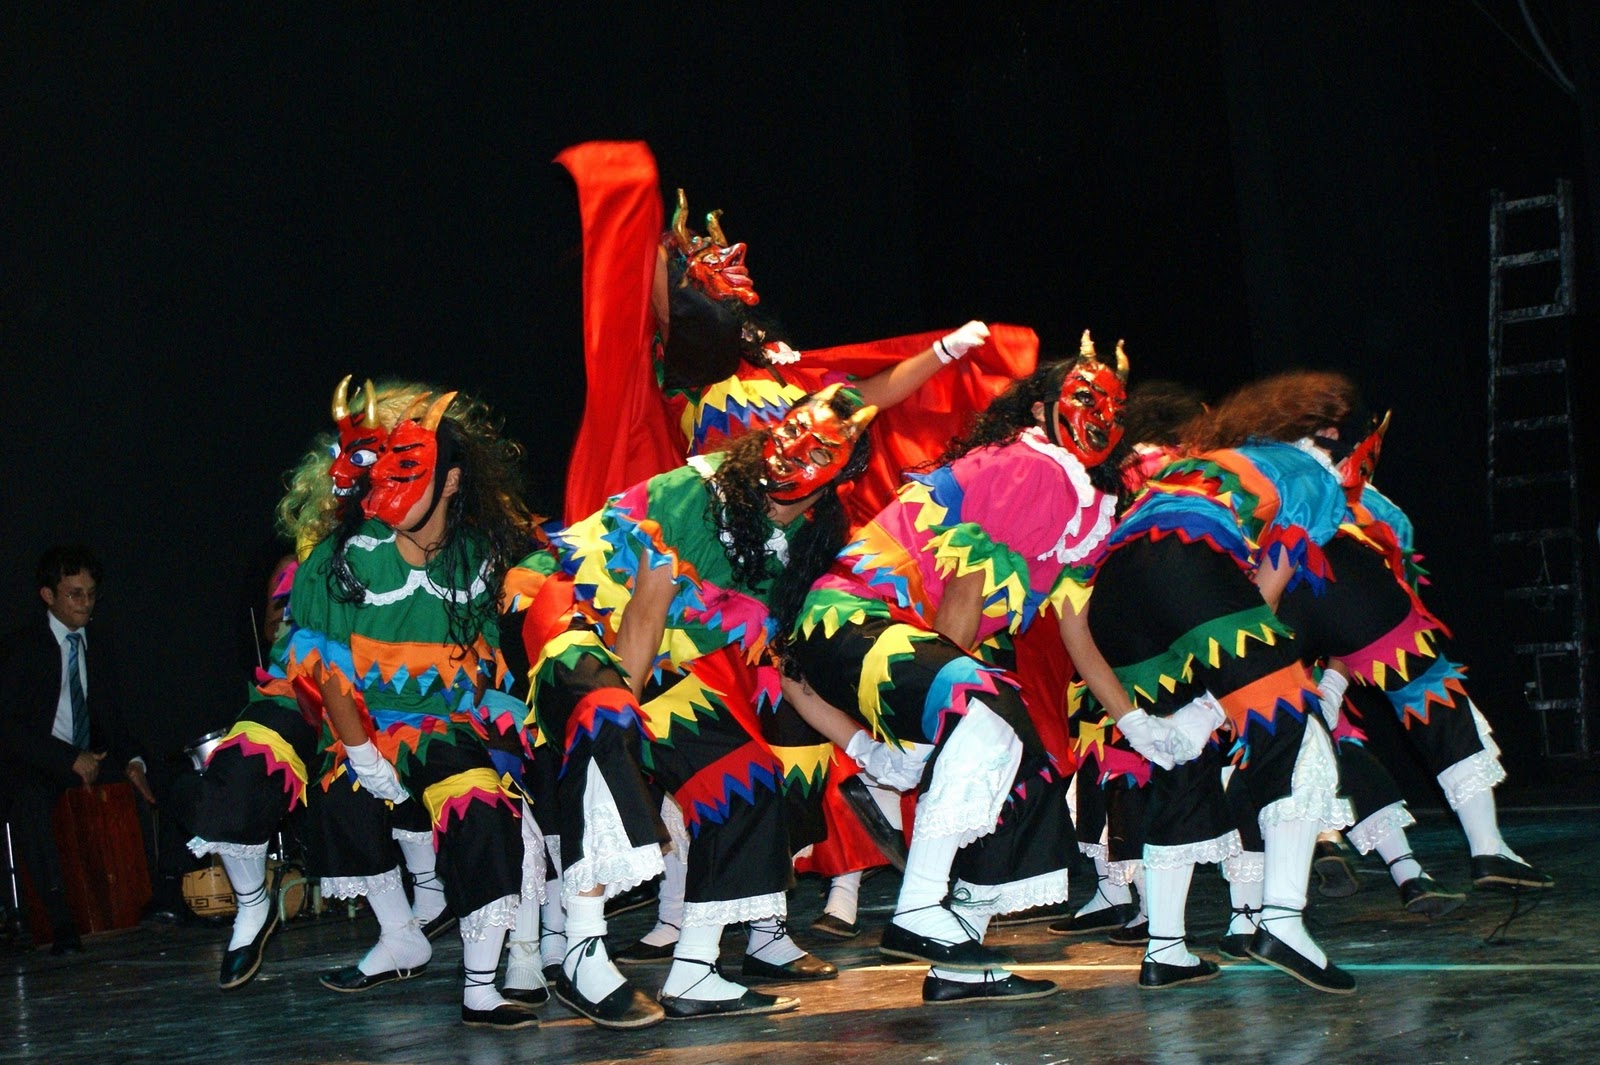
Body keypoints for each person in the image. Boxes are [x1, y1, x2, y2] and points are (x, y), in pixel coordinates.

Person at [787, 342, 1130, 1006]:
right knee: (986, 708)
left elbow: (1077, 636)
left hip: (895, 648)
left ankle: (958, 958)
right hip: (854, 619)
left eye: (1113, 406)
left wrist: (1141, 726)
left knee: (1026, 771)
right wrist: (938, 717)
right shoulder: (1029, 468)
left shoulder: (1081, 507)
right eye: (1085, 398)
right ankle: (918, 910)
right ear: (1041, 408)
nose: (1101, 415)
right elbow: (964, 598)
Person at [525, 387, 875, 1027]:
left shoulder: (800, 548)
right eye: (790, 432)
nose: (791, 453)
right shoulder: (695, 494)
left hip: (654, 657)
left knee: (748, 778)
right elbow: (642, 616)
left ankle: (695, 971)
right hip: (578, 620)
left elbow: (788, 666)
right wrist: (629, 728)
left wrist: (865, 747)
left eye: (817, 453)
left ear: (833, 485)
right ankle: (580, 953)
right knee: (607, 722)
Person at [286, 384, 540, 1029]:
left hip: (449, 723)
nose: (386, 488)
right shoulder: (345, 558)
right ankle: (401, 933)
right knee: (345, 800)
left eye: (409, 470)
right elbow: (327, 671)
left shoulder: (482, 553)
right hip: (368, 724)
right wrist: (364, 757)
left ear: (450, 480)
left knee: (483, 811)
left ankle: (482, 986)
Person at [0, 545, 153, 953]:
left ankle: (153, 899)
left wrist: (134, 761)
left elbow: (114, 718)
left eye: (90, 594)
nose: (85, 603)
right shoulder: (22, 647)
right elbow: (9, 727)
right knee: (29, 802)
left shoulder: (97, 642)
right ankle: (58, 919)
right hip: (40, 761)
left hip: (90, 756)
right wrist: (67, 758)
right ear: (48, 595)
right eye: (74, 594)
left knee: (145, 782)